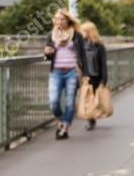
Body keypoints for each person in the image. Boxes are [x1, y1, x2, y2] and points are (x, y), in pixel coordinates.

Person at [44, 9, 85, 140]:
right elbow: (48, 54)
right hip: (56, 72)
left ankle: (65, 128)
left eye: (62, 19)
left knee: (69, 102)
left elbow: (83, 56)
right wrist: (47, 53)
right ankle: (61, 121)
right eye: (57, 19)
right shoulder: (51, 35)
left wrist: (86, 73)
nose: (59, 22)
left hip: (71, 72)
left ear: (68, 20)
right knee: (53, 102)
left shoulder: (76, 35)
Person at [79, 22, 108, 131]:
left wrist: (104, 80)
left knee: (95, 99)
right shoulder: (81, 45)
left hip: (96, 76)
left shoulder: (99, 46)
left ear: (90, 32)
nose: (81, 33)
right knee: (88, 100)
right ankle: (91, 120)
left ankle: (94, 117)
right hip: (86, 76)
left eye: (84, 31)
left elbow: (103, 64)